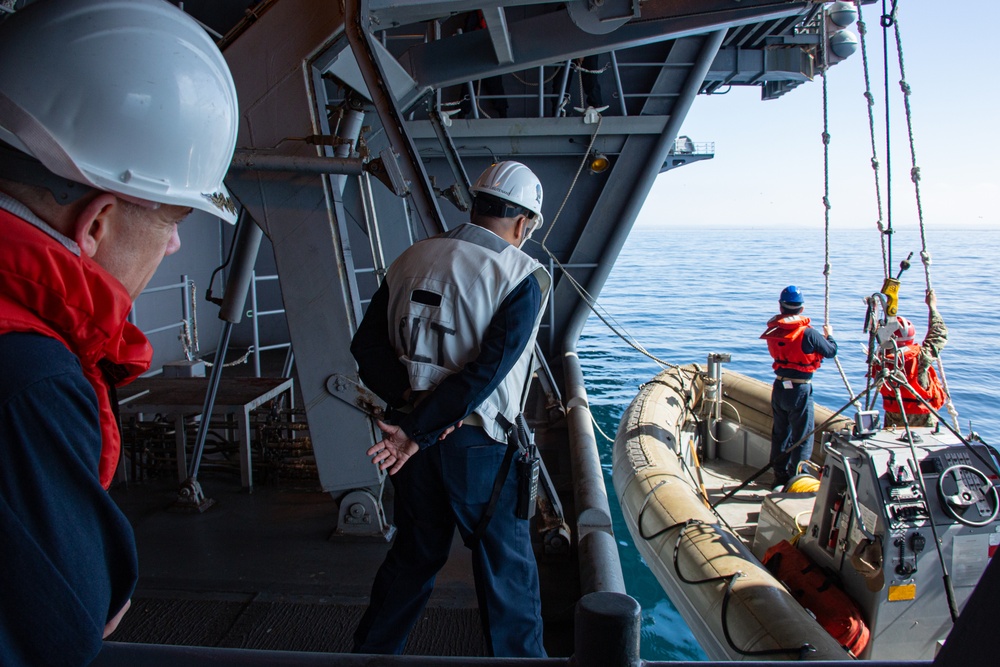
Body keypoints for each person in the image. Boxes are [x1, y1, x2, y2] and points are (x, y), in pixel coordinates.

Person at [0, 1, 239, 664]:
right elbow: (69, 622)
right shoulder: (31, 381)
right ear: (97, 222)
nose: (173, 246)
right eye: (167, 221)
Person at [350, 161, 549, 657]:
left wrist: (409, 408)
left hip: (408, 444)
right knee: (505, 570)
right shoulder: (520, 275)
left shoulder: (409, 258)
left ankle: (368, 657)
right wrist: (422, 424)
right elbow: (486, 373)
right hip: (475, 445)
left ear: (475, 205)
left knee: (414, 556)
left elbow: (366, 348)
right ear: (523, 224)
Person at [760, 285, 838, 488]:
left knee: (780, 434)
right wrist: (829, 335)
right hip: (800, 390)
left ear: (781, 306)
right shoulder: (808, 334)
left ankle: (779, 476)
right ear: (801, 308)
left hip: (779, 388)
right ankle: (797, 480)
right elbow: (830, 352)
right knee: (802, 437)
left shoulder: (774, 329)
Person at [873, 288, 948, 428]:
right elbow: (939, 332)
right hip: (923, 417)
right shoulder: (921, 357)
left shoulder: (880, 360)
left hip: (894, 418)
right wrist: (932, 307)